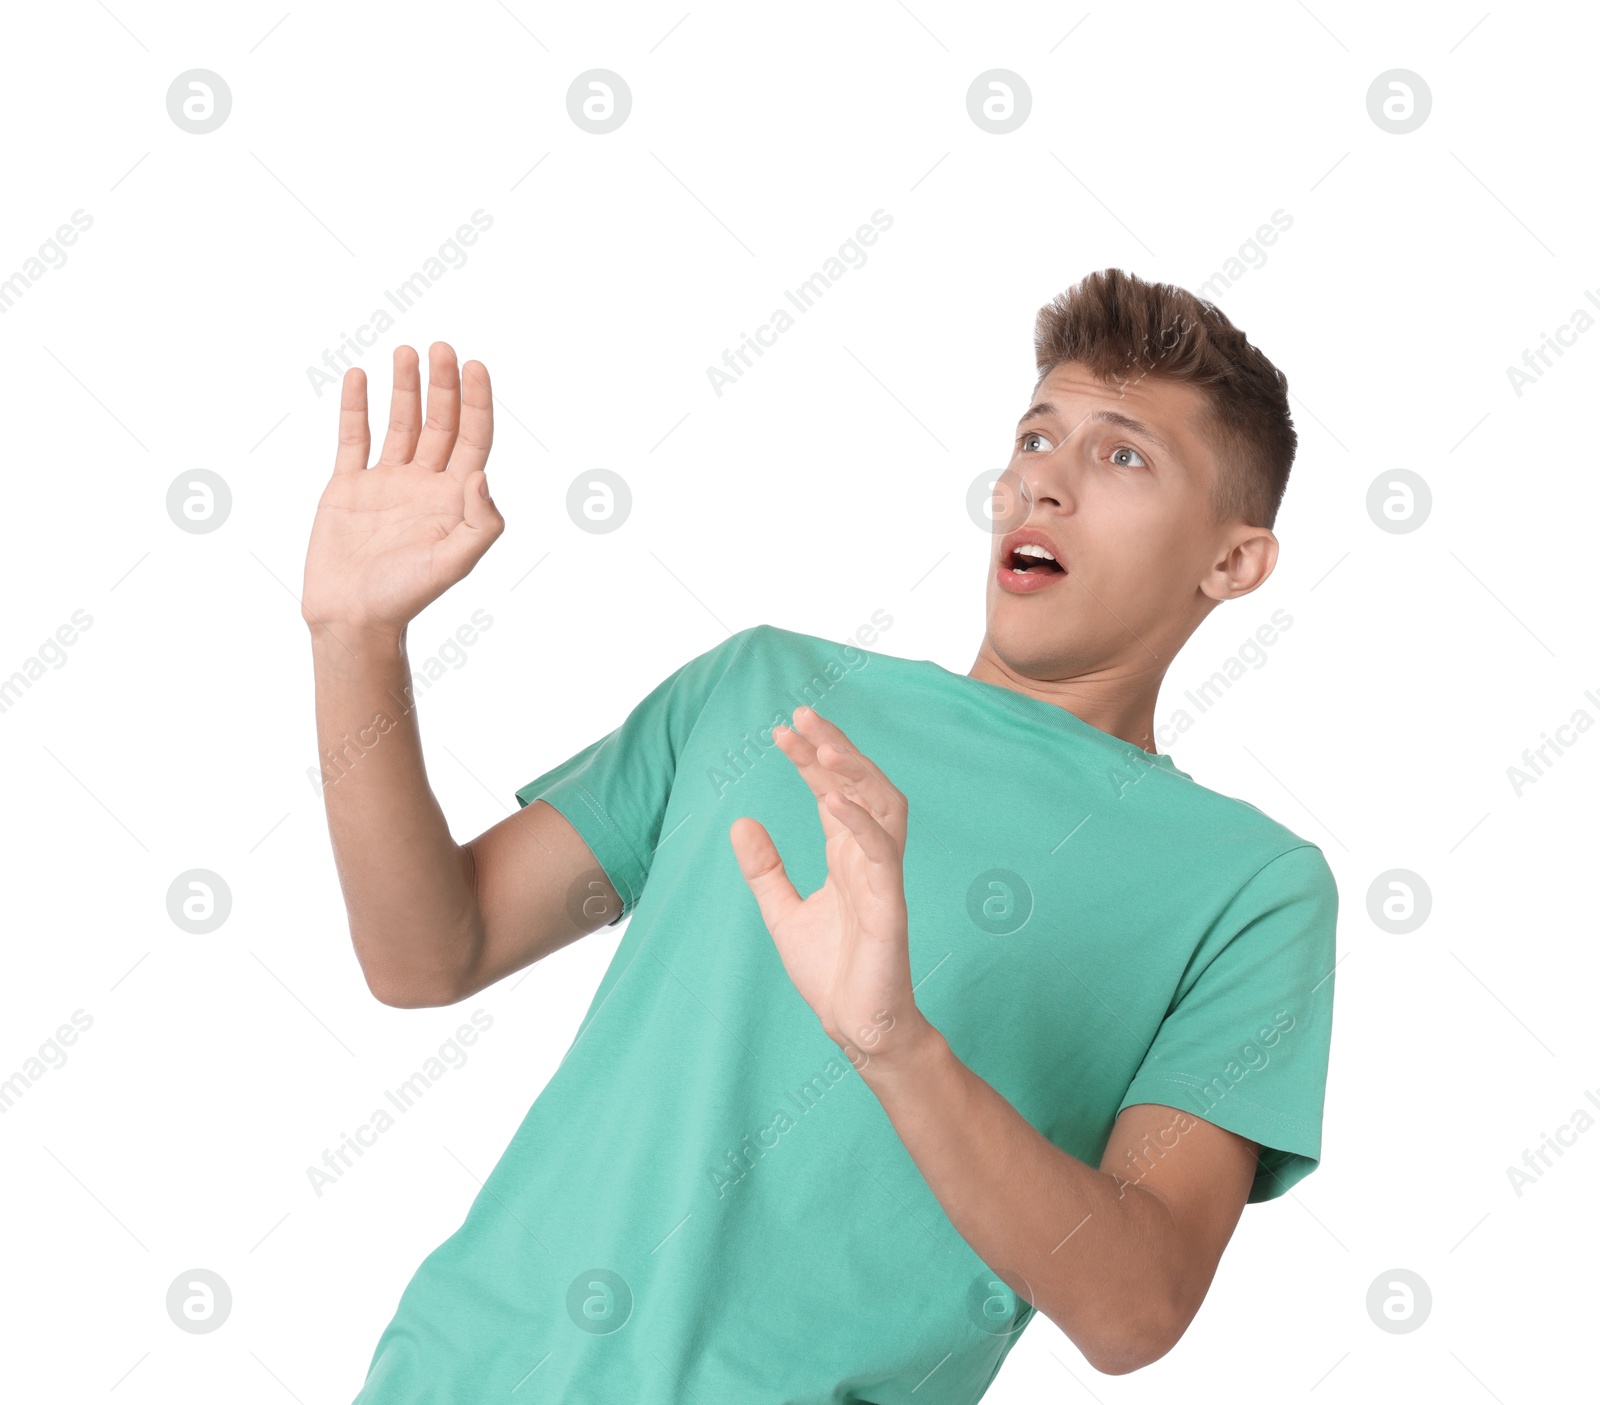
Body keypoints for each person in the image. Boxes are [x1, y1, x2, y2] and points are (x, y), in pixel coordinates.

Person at [303, 267, 1338, 1401]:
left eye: (1122, 454)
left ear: (1232, 561)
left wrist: (896, 1043)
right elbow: (427, 954)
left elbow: (1136, 1308)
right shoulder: (766, 688)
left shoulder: (1250, 889)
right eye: (1036, 436)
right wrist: (355, 639)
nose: (1044, 479)